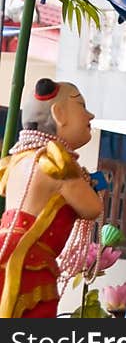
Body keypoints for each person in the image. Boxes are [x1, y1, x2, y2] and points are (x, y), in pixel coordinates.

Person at [0, 78, 104, 317]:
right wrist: (91, 183)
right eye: (81, 106)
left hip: (7, 251)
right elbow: (91, 208)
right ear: (59, 114)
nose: (90, 116)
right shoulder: (55, 164)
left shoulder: (19, 160)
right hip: (31, 261)